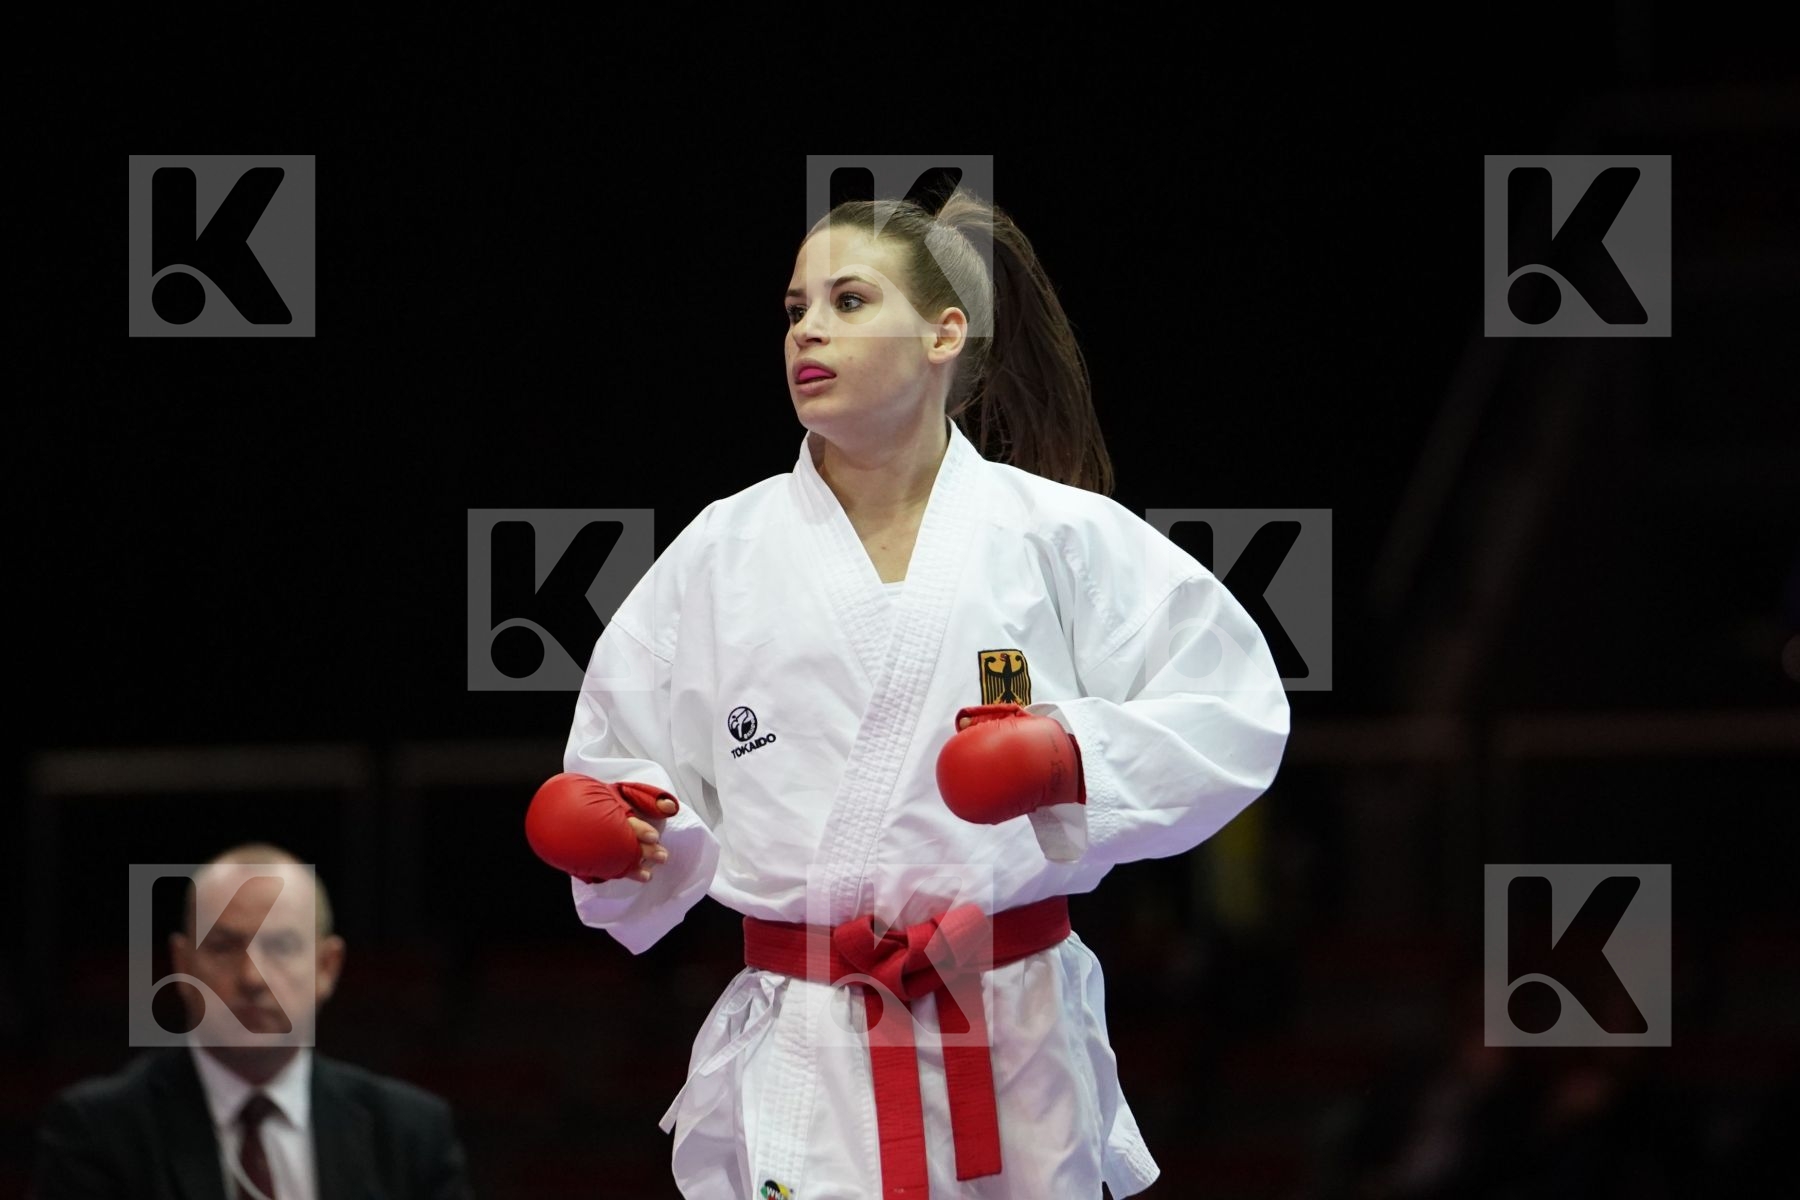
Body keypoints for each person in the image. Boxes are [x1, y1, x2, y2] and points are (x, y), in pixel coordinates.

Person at [525, 186, 1292, 1198]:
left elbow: (1234, 709)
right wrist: (625, 830)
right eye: (796, 307)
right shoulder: (723, 551)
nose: (808, 330)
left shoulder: (1056, 535)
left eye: (848, 301)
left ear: (944, 333)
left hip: (1012, 1033)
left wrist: (1072, 755)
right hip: (808, 1040)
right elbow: (635, 770)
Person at [31, 843, 474, 1200]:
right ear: (183, 965)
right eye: (224, 946)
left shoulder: (410, 1135)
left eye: (280, 946)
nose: (251, 977)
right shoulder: (97, 1133)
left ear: (327, 966)